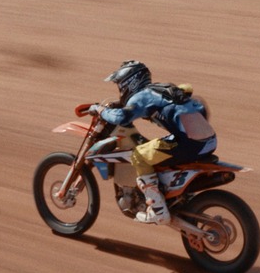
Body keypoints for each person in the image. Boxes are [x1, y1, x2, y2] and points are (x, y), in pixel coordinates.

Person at [88, 60, 217, 224]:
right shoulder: (162, 90)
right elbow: (200, 108)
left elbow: (122, 117)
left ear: (129, 82)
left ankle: (158, 210)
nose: (120, 90)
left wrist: (100, 110)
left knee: (138, 156)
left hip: (190, 144)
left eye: (120, 85)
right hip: (209, 141)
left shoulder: (141, 96)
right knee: (156, 149)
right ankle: (173, 195)